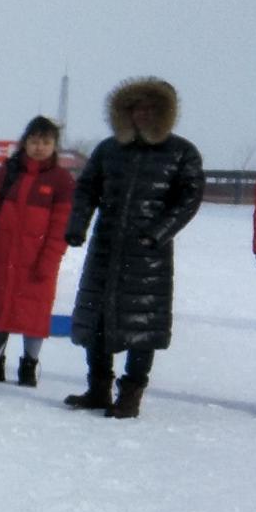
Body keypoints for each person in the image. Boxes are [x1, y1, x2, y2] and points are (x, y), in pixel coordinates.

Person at [63, 78, 204, 419]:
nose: (141, 114)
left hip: (147, 257)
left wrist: (157, 234)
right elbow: (86, 189)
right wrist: (77, 226)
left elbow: (189, 198)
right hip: (106, 248)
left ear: (164, 113)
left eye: (150, 108)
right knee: (96, 319)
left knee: (141, 325)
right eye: (135, 108)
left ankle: (130, 394)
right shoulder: (109, 149)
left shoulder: (181, 151)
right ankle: (98, 389)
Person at [0, 116, 75, 387]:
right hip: (1, 257)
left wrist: (48, 261)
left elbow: (61, 229)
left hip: (36, 262)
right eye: (34, 141)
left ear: (54, 146)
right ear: (24, 143)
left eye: (46, 142)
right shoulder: (6, 173)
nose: (39, 147)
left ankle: (28, 367)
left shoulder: (61, 181)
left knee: (34, 315)